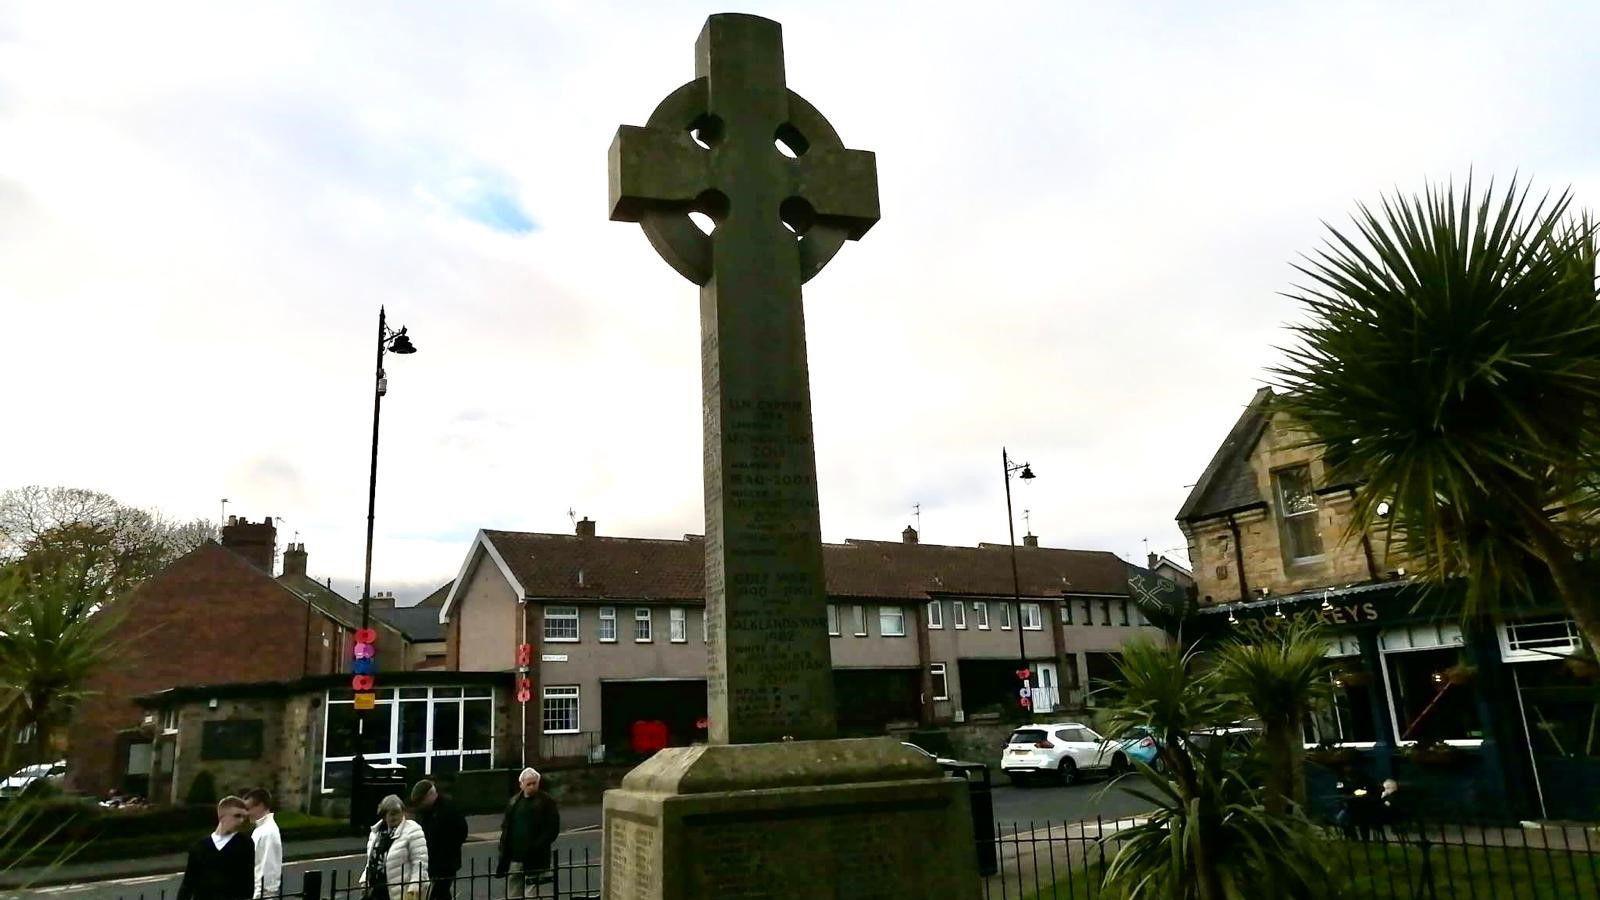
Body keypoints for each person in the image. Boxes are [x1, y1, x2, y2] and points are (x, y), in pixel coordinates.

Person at [496, 767, 561, 899]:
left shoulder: (546, 802)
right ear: (521, 785)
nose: (531, 786)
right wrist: (504, 848)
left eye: (534, 783)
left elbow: (552, 829)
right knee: (514, 891)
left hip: (534, 857)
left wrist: (537, 846)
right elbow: (506, 827)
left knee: (531, 892)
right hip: (514, 857)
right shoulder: (514, 802)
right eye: (528, 784)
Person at [176, 796, 256, 900]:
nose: (241, 821)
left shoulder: (245, 844)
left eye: (243, 817)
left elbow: (248, 883)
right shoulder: (199, 847)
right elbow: (188, 883)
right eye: (237, 816)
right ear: (222, 817)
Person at [360, 793, 430, 900]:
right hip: (376, 891)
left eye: (399, 813)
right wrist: (365, 881)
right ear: (384, 815)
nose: (396, 817)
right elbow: (371, 861)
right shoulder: (376, 833)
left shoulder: (413, 830)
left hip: (400, 892)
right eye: (392, 814)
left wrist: (414, 889)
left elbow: (420, 863)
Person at [410, 779, 469, 900]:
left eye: (421, 800)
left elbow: (462, 831)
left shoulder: (448, 809)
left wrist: (449, 849)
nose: (419, 804)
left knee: (438, 893)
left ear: (430, 795)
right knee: (439, 894)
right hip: (429, 862)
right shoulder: (423, 811)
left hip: (445, 863)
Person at [243, 787, 283, 898]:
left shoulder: (267, 832)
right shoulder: (261, 830)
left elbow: (266, 871)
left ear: (260, 806)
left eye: (248, 808)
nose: (246, 813)